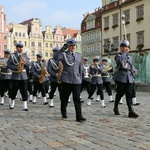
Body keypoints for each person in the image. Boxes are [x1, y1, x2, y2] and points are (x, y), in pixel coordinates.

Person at [54, 39, 86, 122]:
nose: (72, 47)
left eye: (74, 46)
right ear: (68, 46)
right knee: (65, 98)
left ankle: (79, 116)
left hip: (76, 80)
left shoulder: (79, 56)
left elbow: (79, 68)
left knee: (77, 98)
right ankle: (63, 111)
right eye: (71, 46)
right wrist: (62, 49)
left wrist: (80, 79)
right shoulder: (64, 54)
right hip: (66, 80)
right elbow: (56, 57)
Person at [113, 40, 139, 118]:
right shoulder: (118, 55)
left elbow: (131, 66)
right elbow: (119, 62)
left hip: (129, 77)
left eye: (126, 47)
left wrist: (134, 70)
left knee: (129, 94)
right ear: (120, 47)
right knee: (120, 93)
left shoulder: (130, 57)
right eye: (123, 46)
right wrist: (124, 53)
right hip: (121, 77)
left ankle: (130, 110)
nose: (125, 48)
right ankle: (115, 106)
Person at [7, 42, 30, 111]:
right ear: (16, 48)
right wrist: (16, 67)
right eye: (19, 47)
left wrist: (25, 62)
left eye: (21, 47)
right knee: (14, 90)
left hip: (23, 76)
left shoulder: (25, 55)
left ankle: (25, 105)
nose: (21, 49)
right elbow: (9, 65)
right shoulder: (12, 56)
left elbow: (28, 65)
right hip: (16, 76)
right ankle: (12, 103)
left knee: (24, 91)